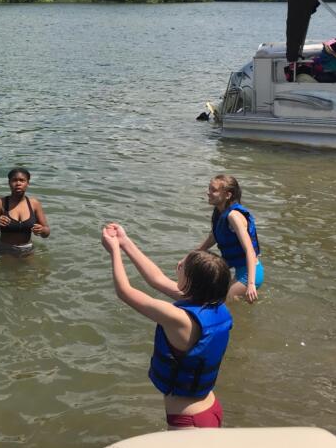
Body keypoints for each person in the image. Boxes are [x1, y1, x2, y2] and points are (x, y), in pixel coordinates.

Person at [101, 223, 232, 429]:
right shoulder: (214, 305)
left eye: (182, 265)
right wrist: (125, 242)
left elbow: (125, 292)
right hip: (209, 408)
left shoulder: (180, 319)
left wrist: (114, 251)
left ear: (191, 281)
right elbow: (156, 279)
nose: (178, 264)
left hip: (189, 422)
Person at [191, 174, 263, 303]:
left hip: (251, 273)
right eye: (209, 189)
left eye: (213, 190)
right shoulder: (220, 213)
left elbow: (250, 251)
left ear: (228, 195)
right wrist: (189, 258)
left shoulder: (233, 216)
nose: (208, 193)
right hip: (238, 268)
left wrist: (251, 284)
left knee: (219, 301)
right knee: (213, 294)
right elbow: (212, 238)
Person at [0, 167, 50, 255]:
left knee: (40, 268)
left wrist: (42, 230)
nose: (18, 183)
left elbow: (46, 233)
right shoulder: (1, 203)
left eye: (22, 180)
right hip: (4, 249)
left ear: (27, 183)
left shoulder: (34, 204)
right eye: (14, 180)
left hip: (28, 249)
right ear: (9, 183)